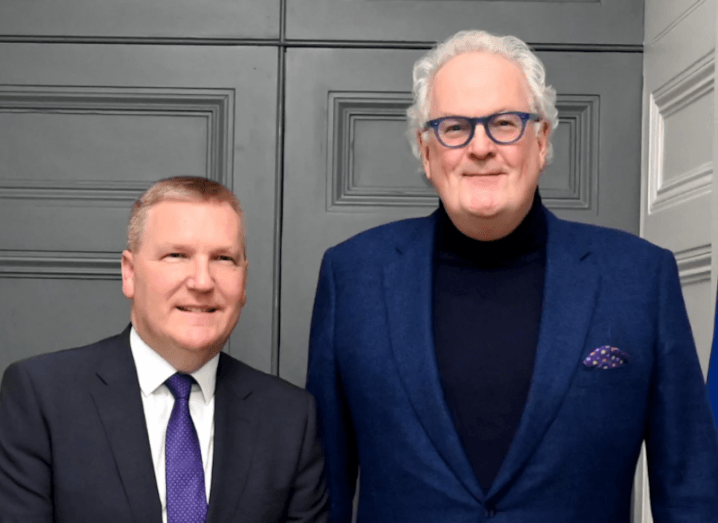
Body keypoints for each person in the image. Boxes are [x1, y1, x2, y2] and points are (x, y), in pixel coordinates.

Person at [306, 29, 718, 522]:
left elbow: (692, 490)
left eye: (504, 122)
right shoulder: (352, 277)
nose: (480, 147)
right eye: (454, 127)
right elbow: (324, 490)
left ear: (542, 140)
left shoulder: (640, 278)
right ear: (426, 150)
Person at [0, 177, 328, 523]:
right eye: (177, 255)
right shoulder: (43, 396)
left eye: (223, 258)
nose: (202, 281)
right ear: (129, 273)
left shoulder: (290, 418)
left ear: (243, 280)